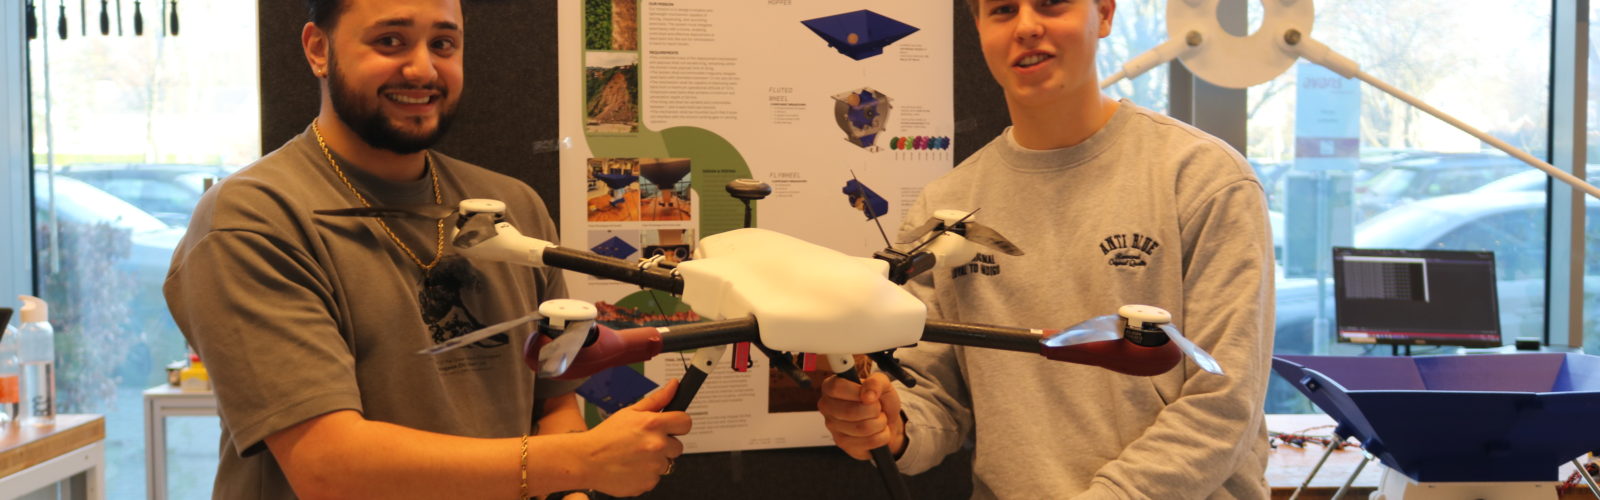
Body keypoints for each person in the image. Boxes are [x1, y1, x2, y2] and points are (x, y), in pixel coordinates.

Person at [163, 1, 689, 498]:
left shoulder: (515, 208)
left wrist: (571, 487)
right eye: (390, 41)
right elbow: (328, 467)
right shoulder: (255, 217)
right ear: (318, 49)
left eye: (443, 44)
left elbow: (551, 402)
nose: (422, 70)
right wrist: (581, 461)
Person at [817, 0, 1274, 498]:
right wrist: (893, 425)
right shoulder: (947, 207)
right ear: (979, 30)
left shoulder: (1204, 180)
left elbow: (1223, 403)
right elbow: (936, 401)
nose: (1027, 27)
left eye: (1051, 4)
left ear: (1103, 14)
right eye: (1004, 10)